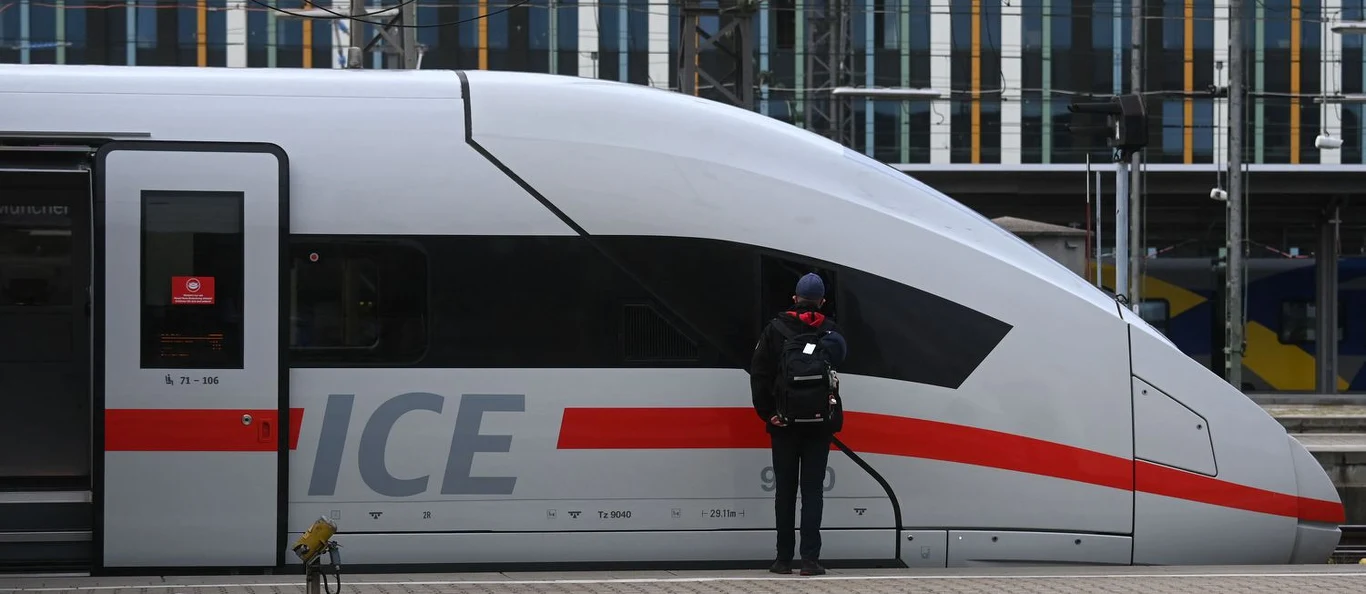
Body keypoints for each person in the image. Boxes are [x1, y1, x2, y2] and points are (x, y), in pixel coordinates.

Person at [749, 272, 847, 576]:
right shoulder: (830, 331)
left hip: (784, 425)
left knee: (785, 492)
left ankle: (782, 560)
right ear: (822, 302)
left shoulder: (774, 330)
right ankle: (809, 561)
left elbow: (759, 374)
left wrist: (768, 413)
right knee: (813, 492)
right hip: (819, 426)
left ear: (795, 298)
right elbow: (840, 363)